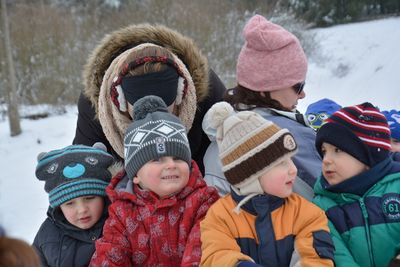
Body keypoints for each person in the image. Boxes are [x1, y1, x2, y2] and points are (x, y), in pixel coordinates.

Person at [72, 23, 226, 174]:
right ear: (120, 99)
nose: (154, 116)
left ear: (181, 92)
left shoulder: (208, 91)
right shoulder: (95, 104)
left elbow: (233, 154)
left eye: (165, 107)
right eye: (141, 110)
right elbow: (81, 179)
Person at [200, 102, 334, 267]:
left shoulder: (307, 214)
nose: (293, 170)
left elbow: (316, 260)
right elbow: (215, 256)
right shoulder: (220, 217)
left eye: (291, 160)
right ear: (249, 174)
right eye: (281, 163)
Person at [90, 96, 219, 266]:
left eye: (178, 158)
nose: (171, 165)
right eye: (158, 159)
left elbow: (203, 252)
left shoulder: (203, 202)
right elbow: (110, 254)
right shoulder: (123, 212)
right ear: (135, 174)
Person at [203, 14, 320, 200]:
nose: (302, 94)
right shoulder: (291, 136)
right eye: (299, 86)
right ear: (268, 87)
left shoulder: (215, 142)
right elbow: (333, 200)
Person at [312, 102, 400, 267]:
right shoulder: (321, 205)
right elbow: (338, 256)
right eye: (324, 151)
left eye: (337, 150)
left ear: (368, 157)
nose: (326, 160)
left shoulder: (396, 186)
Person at [33, 143, 115, 267]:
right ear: (59, 206)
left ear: (103, 197)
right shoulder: (47, 235)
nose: (82, 209)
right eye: (70, 203)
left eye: (89, 198)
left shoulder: (118, 225)